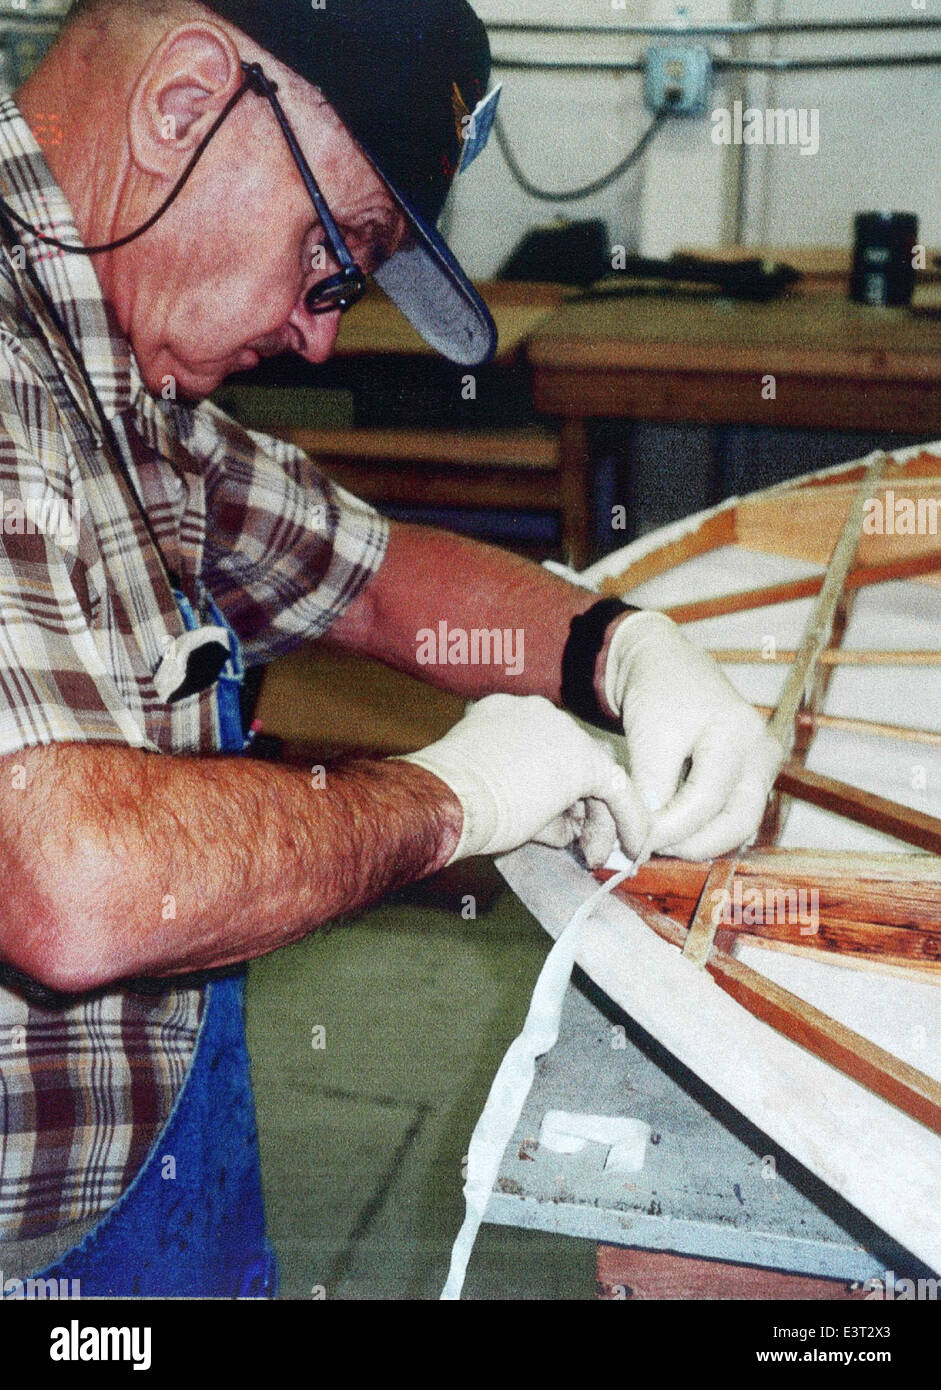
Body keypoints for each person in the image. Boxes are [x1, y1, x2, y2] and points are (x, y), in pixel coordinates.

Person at [0, 0, 781, 1297]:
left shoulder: (113, 370)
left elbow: (367, 576)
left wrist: (621, 650)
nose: (318, 336)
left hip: (131, 1163)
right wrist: (448, 799)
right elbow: (64, 883)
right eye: (329, 255)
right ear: (182, 106)